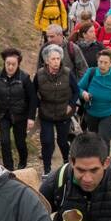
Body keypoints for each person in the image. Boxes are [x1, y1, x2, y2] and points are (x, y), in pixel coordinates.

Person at [0, 48, 36, 171]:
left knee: (20, 142)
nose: (10, 67)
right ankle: (9, 168)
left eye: (13, 64)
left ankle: (23, 162)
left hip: (20, 115)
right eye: (8, 64)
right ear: (4, 63)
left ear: (18, 64)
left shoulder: (24, 78)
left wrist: (31, 118)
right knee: (4, 141)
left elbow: (33, 99)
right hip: (3, 114)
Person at [34, 45, 77, 175]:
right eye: (53, 59)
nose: (56, 62)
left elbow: (76, 91)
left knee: (63, 141)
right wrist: (38, 105)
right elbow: (32, 92)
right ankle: (47, 170)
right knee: (47, 142)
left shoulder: (67, 73)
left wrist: (70, 104)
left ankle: (66, 163)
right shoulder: (40, 75)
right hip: (46, 113)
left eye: (58, 58)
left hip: (63, 113)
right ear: (47, 61)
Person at [78, 49, 111, 144]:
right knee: (93, 140)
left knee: (103, 139)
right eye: (100, 62)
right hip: (92, 113)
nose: (102, 65)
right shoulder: (91, 72)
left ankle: (103, 159)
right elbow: (78, 88)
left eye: (105, 62)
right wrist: (84, 94)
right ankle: (95, 158)